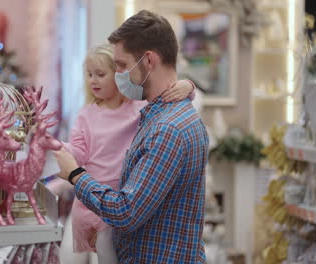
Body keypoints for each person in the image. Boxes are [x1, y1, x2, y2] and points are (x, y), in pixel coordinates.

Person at [55, 10, 209, 263]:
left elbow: (125, 212)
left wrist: (75, 174)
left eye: (122, 66)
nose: (119, 75)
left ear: (148, 61)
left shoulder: (167, 130)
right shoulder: (156, 116)